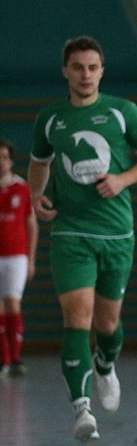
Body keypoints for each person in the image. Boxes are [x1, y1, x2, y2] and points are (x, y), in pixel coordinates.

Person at [28, 36, 137, 441]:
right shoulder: (50, 119)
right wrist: (37, 196)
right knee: (77, 317)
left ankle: (105, 365)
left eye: (92, 67)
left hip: (117, 234)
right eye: (77, 67)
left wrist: (122, 179)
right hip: (70, 233)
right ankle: (81, 410)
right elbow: (38, 164)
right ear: (65, 72)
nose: (85, 75)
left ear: (102, 70)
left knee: (108, 323)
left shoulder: (123, 113)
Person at [0, 140, 38, 377]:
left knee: (13, 303)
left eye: (4, 157)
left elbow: (31, 224)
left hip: (16, 256)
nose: (1, 162)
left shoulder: (22, 187)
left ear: (11, 160)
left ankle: (15, 358)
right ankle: (3, 360)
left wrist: (31, 258)